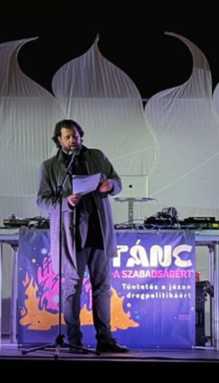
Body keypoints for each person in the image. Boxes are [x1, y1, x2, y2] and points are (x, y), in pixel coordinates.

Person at [36, 119, 129, 353]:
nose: (72, 140)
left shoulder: (97, 156)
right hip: (72, 237)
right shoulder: (50, 166)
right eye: (67, 137)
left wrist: (110, 186)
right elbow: (42, 201)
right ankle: (74, 340)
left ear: (81, 136)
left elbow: (118, 182)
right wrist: (65, 202)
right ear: (59, 140)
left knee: (102, 288)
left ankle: (105, 339)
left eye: (75, 136)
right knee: (72, 288)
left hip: (99, 233)